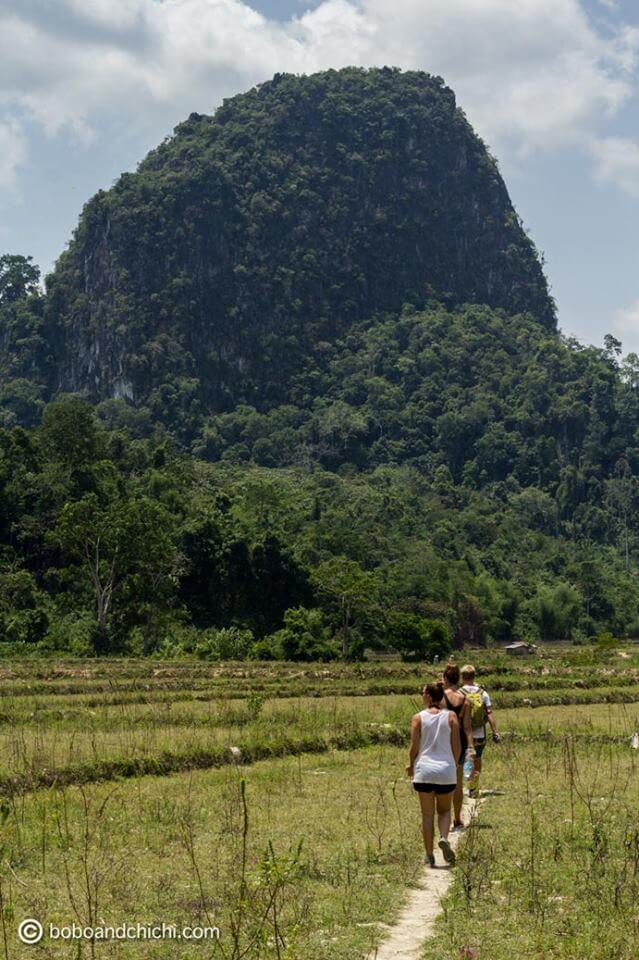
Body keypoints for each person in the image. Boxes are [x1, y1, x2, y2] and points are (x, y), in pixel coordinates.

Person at [406, 681, 461, 868]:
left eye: (423, 692)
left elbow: (414, 747)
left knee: (427, 814)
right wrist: (453, 765)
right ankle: (444, 837)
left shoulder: (417, 718)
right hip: (446, 771)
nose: (422, 695)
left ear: (429, 696)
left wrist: (410, 765)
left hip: (424, 771)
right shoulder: (451, 716)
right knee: (445, 811)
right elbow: (457, 746)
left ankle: (429, 855)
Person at [459, 663, 502, 799]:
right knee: (477, 760)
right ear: (474, 676)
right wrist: (495, 731)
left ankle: (464, 786)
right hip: (480, 734)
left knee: (463, 760)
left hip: (463, 735)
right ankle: (474, 788)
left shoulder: (459, 693)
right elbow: (489, 713)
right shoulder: (483, 693)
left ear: (462, 676)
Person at [442, 662, 475, 829]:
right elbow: (468, 727)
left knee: (443, 781)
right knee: (458, 781)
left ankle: (444, 816)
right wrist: (471, 747)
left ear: (445, 678)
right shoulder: (466, 701)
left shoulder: (440, 698)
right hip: (460, 742)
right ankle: (457, 817)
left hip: (444, 741)